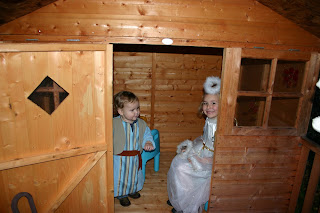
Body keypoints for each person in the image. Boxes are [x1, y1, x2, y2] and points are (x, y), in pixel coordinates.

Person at [167, 76, 220, 213]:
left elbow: (219, 152)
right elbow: (205, 140)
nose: (209, 107)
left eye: (214, 103)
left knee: (182, 169)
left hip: (212, 161)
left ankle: (188, 201)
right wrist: (193, 151)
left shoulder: (220, 126)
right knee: (178, 159)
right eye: (205, 103)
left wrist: (200, 159)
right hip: (205, 151)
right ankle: (180, 196)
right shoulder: (209, 120)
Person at [113, 91, 155, 207]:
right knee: (120, 176)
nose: (136, 112)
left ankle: (132, 190)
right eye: (132, 110)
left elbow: (147, 134)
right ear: (120, 111)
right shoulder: (114, 124)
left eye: (138, 108)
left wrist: (147, 142)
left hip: (135, 158)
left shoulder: (141, 124)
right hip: (119, 159)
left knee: (134, 175)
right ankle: (121, 194)